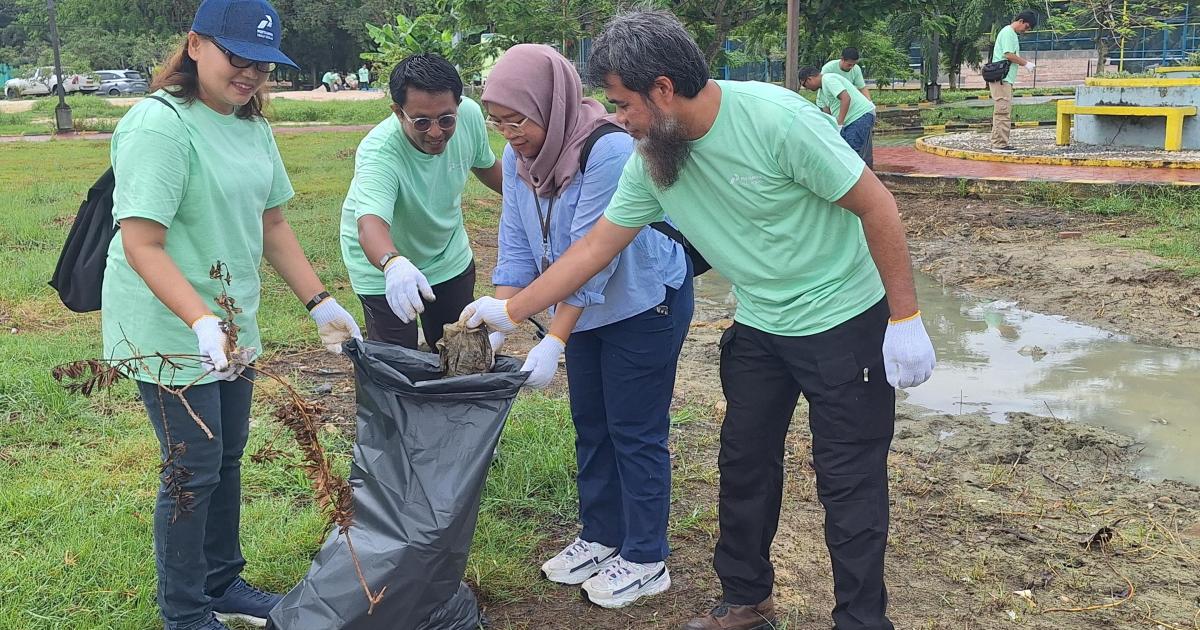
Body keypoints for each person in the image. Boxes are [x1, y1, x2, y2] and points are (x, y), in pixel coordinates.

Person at [460, 10, 936, 630]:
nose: (615, 118)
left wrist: (905, 317)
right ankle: (746, 601)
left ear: (662, 88)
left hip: (842, 321)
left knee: (847, 481)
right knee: (743, 466)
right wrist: (511, 310)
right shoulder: (652, 157)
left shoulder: (776, 121)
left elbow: (878, 205)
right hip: (762, 325)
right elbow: (593, 249)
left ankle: (861, 620)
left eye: (622, 103)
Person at [102, 1, 363, 628]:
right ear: (195, 46)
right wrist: (197, 321)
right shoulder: (159, 126)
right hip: (169, 327)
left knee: (226, 455)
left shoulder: (252, 127)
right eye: (236, 57)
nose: (249, 74)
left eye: (261, 64)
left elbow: (272, 223)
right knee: (191, 468)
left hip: (230, 320)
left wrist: (320, 301)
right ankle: (185, 612)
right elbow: (142, 243)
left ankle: (221, 584)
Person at [481, 43, 692, 608]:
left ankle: (646, 557)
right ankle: (601, 537)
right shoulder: (518, 159)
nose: (509, 133)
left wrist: (552, 335)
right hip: (584, 307)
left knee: (635, 429)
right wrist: (498, 319)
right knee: (591, 423)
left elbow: (592, 254)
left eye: (517, 119)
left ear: (551, 102)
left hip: (645, 301)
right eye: (496, 121)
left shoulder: (610, 149)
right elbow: (517, 242)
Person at [339, 53, 503, 350]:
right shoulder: (380, 152)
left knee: (457, 351)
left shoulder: (469, 118)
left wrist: (538, 195)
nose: (437, 132)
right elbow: (370, 226)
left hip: (446, 255)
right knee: (395, 365)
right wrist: (393, 264)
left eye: (446, 119)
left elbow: (488, 167)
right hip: (384, 267)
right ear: (399, 112)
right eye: (422, 122)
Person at [799, 66, 876, 167]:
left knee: (852, 152)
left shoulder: (828, 80)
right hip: (851, 120)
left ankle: (862, 179)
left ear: (809, 79)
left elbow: (846, 98)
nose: (806, 88)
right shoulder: (821, 93)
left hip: (859, 116)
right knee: (845, 150)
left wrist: (839, 123)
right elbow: (827, 113)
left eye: (804, 84)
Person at [989, 10, 1039, 153]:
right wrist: (1026, 63)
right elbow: (1009, 54)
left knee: (1002, 110)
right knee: (1002, 111)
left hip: (1004, 79)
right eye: (1027, 27)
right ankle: (999, 144)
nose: (1026, 30)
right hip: (1002, 79)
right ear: (1021, 21)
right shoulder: (1008, 33)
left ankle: (999, 142)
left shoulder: (1011, 34)